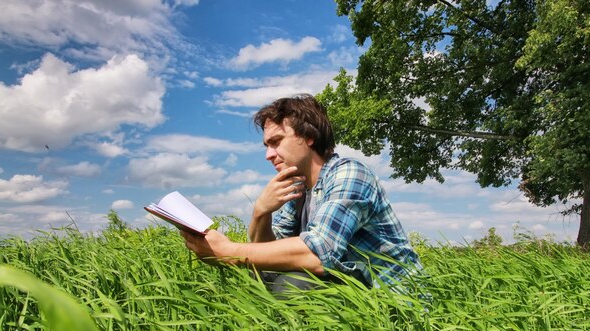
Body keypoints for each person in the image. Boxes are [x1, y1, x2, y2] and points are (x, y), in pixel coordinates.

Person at [181, 94, 423, 293]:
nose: (269, 155)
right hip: (355, 289)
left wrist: (228, 251)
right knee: (264, 276)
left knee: (294, 285)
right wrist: (260, 212)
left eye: (276, 141)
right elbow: (267, 259)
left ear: (308, 137)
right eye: (266, 146)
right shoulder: (297, 188)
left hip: (396, 303)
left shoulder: (349, 173)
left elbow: (318, 254)